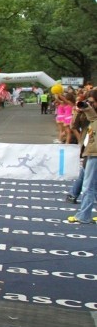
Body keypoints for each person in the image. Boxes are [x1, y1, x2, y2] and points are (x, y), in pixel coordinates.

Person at [67, 89, 97, 225]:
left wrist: (86, 110)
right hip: (88, 151)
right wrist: (78, 112)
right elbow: (73, 126)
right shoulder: (89, 115)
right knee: (87, 181)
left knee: (88, 185)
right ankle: (79, 206)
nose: (88, 104)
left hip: (94, 153)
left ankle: (84, 215)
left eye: (91, 102)